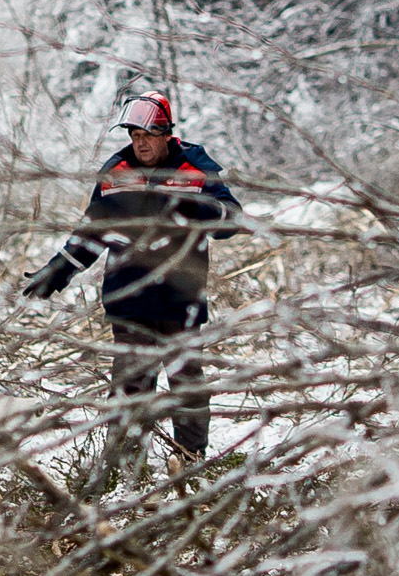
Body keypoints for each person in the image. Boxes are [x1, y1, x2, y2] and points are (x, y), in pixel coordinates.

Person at [20, 90, 242, 467]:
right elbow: (93, 231)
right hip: (129, 301)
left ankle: (190, 460)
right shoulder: (117, 176)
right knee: (130, 387)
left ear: (166, 134)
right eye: (135, 136)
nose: (140, 144)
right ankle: (123, 467)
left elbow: (232, 221)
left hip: (180, 301)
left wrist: (202, 209)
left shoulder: (195, 170)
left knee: (187, 385)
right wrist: (59, 268)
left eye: (148, 136)